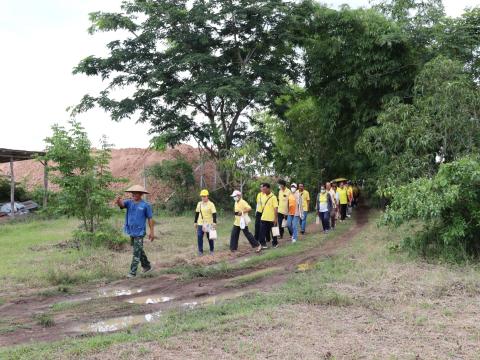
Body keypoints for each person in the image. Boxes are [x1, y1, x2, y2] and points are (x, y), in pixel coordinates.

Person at [116, 185, 154, 278]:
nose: (133, 194)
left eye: (136, 193)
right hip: (131, 231)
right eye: (133, 193)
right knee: (138, 249)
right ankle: (147, 266)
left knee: (136, 252)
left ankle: (132, 273)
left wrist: (152, 232)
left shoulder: (145, 205)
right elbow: (122, 205)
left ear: (140, 194)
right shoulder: (129, 202)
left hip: (140, 232)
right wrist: (118, 201)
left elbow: (150, 219)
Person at [194, 189, 217, 256]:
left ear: (207, 196)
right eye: (202, 196)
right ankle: (200, 251)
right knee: (199, 236)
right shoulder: (199, 204)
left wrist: (214, 222)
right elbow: (197, 213)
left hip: (208, 223)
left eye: (204, 196)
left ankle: (212, 250)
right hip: (200, 223)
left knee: (210, 237)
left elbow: (214, 213)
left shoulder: (211, 204)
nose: (203, 197)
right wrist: (195, 222)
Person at [258, 183, 279, 248]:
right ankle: (263, 244)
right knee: (262, 231)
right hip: (264, 217)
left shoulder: (273, 197)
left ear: (269, 188)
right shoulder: (263, 196)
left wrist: (275, 218)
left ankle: (275, 243)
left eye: (265, 189)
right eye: (263, 189)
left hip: (271, 218)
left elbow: (276, 208)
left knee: (274, 232)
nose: (263, 191)